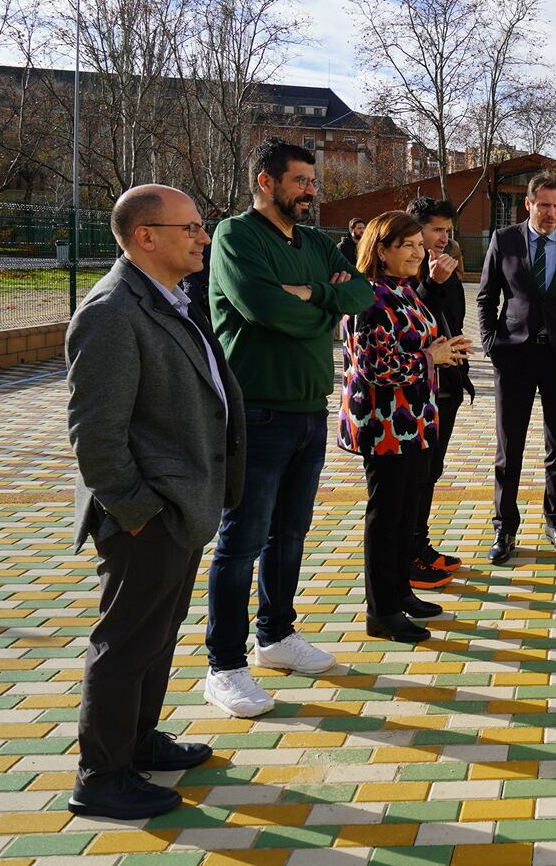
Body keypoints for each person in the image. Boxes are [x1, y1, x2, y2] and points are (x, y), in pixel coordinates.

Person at [65, 185, 243, 820]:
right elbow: (96, 434)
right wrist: (139, 512)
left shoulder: (171, 297)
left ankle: (139, 741)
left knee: (156, 637)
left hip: (180, 505)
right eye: (191, 227)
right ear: (146, 236)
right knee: (125, 642)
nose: (204, 237)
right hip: (147, 514)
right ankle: (102, 776)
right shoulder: (113, 312)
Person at [204, 138, 375, 718]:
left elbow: (361, 292)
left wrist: (316, 294)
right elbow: (264, 309)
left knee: (290, 534)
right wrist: (320, 308)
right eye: (300, 179)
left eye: (311, 180)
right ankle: (224, 666)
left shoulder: (317, 241)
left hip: (308, 410)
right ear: (264, 182)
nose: (310, 190)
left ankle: (276, 637)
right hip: (256, 413)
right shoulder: (234, 236)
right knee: (241, 541)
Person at [338, 211, 471, 642]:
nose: (418, 253)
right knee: (387, 516)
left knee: (405, 512)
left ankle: (400, 593)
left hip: (415, 420)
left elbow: (417, 344)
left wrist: (444, 348)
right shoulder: (366, 296)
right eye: (407, 246)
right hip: (385, 424)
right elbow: (375, 366)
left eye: (420, 245)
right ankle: (381, 611)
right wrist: (432, 357)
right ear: (381, 250)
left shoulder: (404, 290)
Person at [476, 171, 556, 565]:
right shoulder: (504, 240)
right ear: (528, 204)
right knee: (509, 448)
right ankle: (503, 528)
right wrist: (492, 343)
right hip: (514, 356)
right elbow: (486, 296)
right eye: (544, 205)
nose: (551, 213)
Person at [408, 197, 472, 586]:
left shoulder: (444, 270)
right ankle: (410, 553)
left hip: (447, 384)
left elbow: (455, 321)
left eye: (448, 231)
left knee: (431, 471)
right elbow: (414, 320)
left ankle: (420, 544)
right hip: (415, 389)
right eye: (437, 230)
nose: (444, 239)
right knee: (414, 474)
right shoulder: (405, 271)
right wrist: (432, 283)